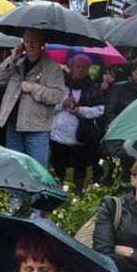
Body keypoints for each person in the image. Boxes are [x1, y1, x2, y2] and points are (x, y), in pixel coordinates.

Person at [0, 28, 65, 170]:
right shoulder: (17, 64)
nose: (30, 45)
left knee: (36, 170)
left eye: (34, 41)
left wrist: (34, 89)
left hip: (37, 128)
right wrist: (12, 58)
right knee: (14, 169)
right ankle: (16, 193)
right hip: (14, 124)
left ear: (42, 43)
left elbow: (57, 96)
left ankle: (36, 193)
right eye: (27, 41)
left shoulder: (52, 68)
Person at [49, 54, 106, 193]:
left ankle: (77, 194)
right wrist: (62, 104)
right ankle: (55, 192)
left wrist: (80, 110)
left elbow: (100, 109)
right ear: (70, 67)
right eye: (77, 66)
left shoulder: (93, 87)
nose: (80, 69)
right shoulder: (59, 84)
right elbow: (48, 106)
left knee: (80, 166)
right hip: (59, 133)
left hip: (81, 135)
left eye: (84, 67)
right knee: (58, 165)